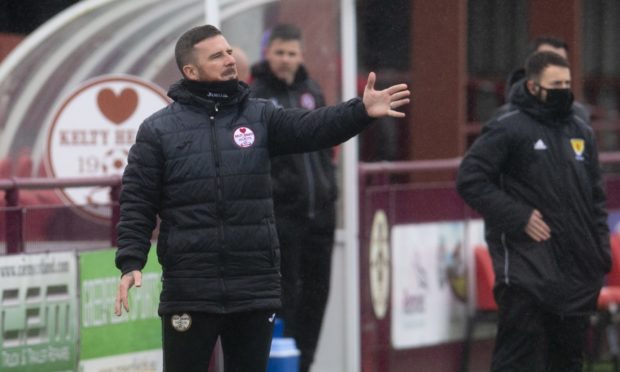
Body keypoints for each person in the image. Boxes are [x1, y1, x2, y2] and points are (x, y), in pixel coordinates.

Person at [113, 24, 409, 372]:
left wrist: (360, 111)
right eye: (216, 55)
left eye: (228, 51)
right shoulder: (158, 130)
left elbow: (312, 127)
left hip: (254, 285)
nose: (229, 60)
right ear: (190, 71)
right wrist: (131, 261)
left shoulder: (259, 116)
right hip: (191, 287)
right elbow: (137, 200)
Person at [457, 51, 611, 372]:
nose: (563, 89)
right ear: (533, 86)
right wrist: (519, 216)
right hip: (528, 272)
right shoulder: (508, 127)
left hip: (577, 275)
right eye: (556, 83)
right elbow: (470, 179)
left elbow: (596, 199)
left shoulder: (580, 130)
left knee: (568, 362)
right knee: (518, 361)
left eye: (567, 83)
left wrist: (600, 255)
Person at [249, 23, 336, 372]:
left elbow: (327, 146)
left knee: (317, 299)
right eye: (279, 52)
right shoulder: (254, 96)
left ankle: (306, 365)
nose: (286, 60)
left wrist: (331, 187)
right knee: (285, 301)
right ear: (266, 54)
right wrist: (277, 189)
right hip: (282, 219)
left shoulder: (312, 91)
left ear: (301, 55)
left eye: (292, 53)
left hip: (321, 217)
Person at [496, 36, 589, 122]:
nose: (556, 68)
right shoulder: (507, 117)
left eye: (561, 62)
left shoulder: (577, 115)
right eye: (547, 61)